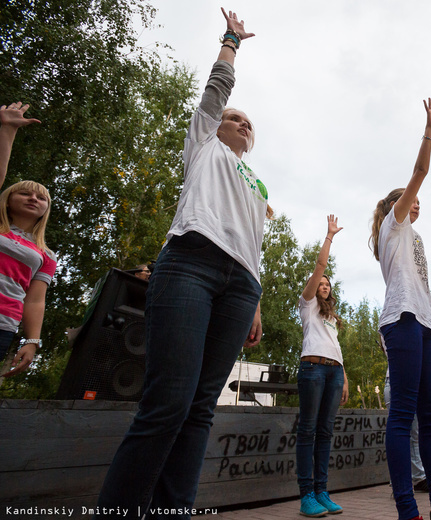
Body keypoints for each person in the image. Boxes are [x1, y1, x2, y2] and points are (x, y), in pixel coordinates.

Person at [96, 10, 269, 517]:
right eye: (236, 118)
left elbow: (255, 242)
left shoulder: (258, 184)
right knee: (168, 402)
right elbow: (216, 90)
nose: (242, 124)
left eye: (249, 124)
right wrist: (231, 40)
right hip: (191, 263)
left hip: (242, 285)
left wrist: (255, 301)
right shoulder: (205, 145)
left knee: (200, 410)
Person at [370, 98, 431, 520]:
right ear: (397, 205)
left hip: (426, 326)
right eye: (410, 200)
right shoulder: (394, 226)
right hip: (401, 320)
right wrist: (429, 132)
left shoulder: (415, 238)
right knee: (403, 414)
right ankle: (408, 510)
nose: (417, 203)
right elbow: (421, 172)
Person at [296, 215, 349, 517]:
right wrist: (329, 237)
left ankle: (322, 491)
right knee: (308, 430)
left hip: (333, 371)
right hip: (312, 370)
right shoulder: (307, 305)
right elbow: (319, 267)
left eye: (328, 284)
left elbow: (336, 349)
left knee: (326, 432)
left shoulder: (330, 318)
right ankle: (306, 495)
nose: (325, 285)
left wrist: (344, 376)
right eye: (321, 283)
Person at [0, 101, 55, 377]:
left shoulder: (46, 254)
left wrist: (32, 341)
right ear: (8, 201)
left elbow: (35, 300)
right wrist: (8, 130)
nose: (34, 198)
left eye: (41, 197)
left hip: (3, 325)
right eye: (25, 193)